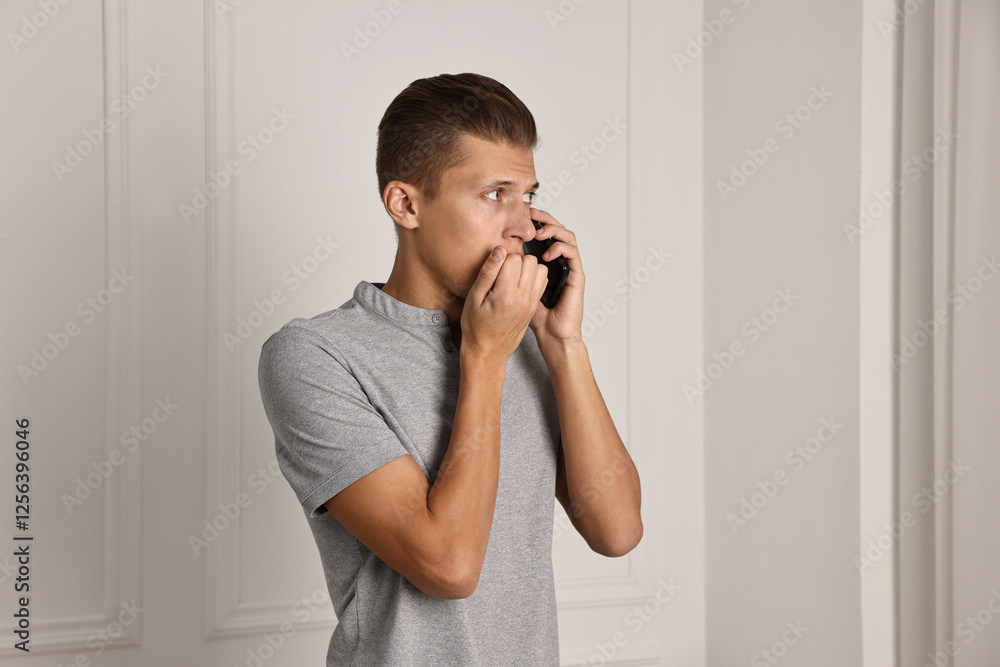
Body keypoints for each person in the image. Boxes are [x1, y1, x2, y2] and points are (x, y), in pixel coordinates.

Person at [257, 72, 642, 666]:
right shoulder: (314, 356)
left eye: (529, 197)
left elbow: (616, 531)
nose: (522, 226)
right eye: (495, 194)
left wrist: (564, 345)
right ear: (405, 203)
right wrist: (483, 357)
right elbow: (449, 565)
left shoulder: (524, 336)